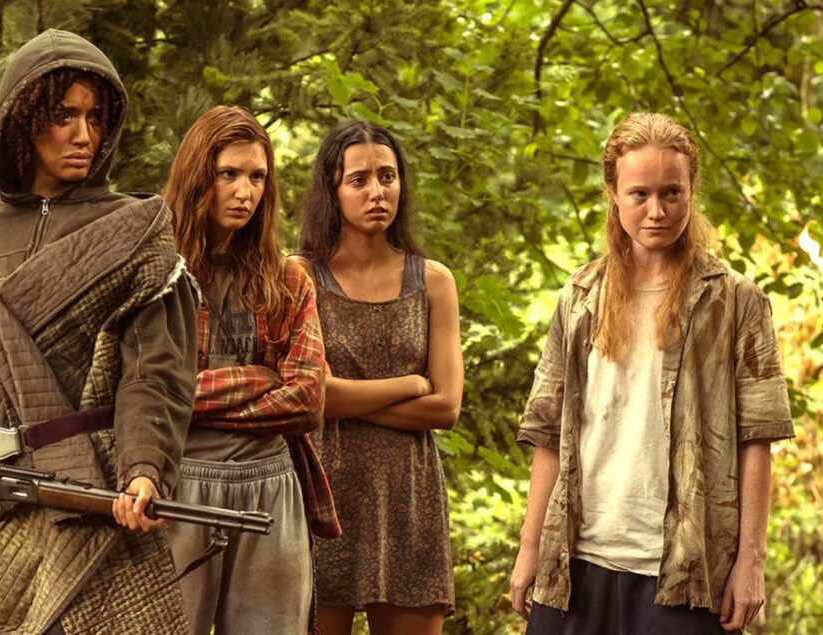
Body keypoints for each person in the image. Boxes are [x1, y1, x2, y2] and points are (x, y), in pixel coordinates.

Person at [0, 29, 199, 634]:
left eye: (95, 117)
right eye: (64, 116)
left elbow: (154, 376)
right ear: (23, 119)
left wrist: (145, 471)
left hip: (96, 497)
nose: (85, 135)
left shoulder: (136, 229)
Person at [510, 112, 794, 634]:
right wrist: (530, 547)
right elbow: (548, 432)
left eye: (672, 193)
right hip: (576, 562)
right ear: (614, 194)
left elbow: (758, 438)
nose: (657, 211)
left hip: (686, 571)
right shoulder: (580, 296)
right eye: (639, 194)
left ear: (691, 191)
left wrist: (751, 561)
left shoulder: (736, 301)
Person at [163, 105, 338, 634]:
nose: (245, 191)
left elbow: (306, 400)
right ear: (198, 177)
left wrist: (186, 399)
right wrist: (259, 378)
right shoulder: (158, 274)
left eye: (257, 177)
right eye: (229, 174)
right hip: (178, 481)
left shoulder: (287, 279)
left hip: (269, 483)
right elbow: (142, 395)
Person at [297, 120, 463, 635]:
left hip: (408, 499)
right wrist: (410, 385)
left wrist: (348, 398)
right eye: (360, 180)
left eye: (387, 177)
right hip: (323, 497)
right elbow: (313, 396)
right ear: (332, 189)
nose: (377, 192)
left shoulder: (433, 280)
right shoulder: (300, 276)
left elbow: (447, 407)